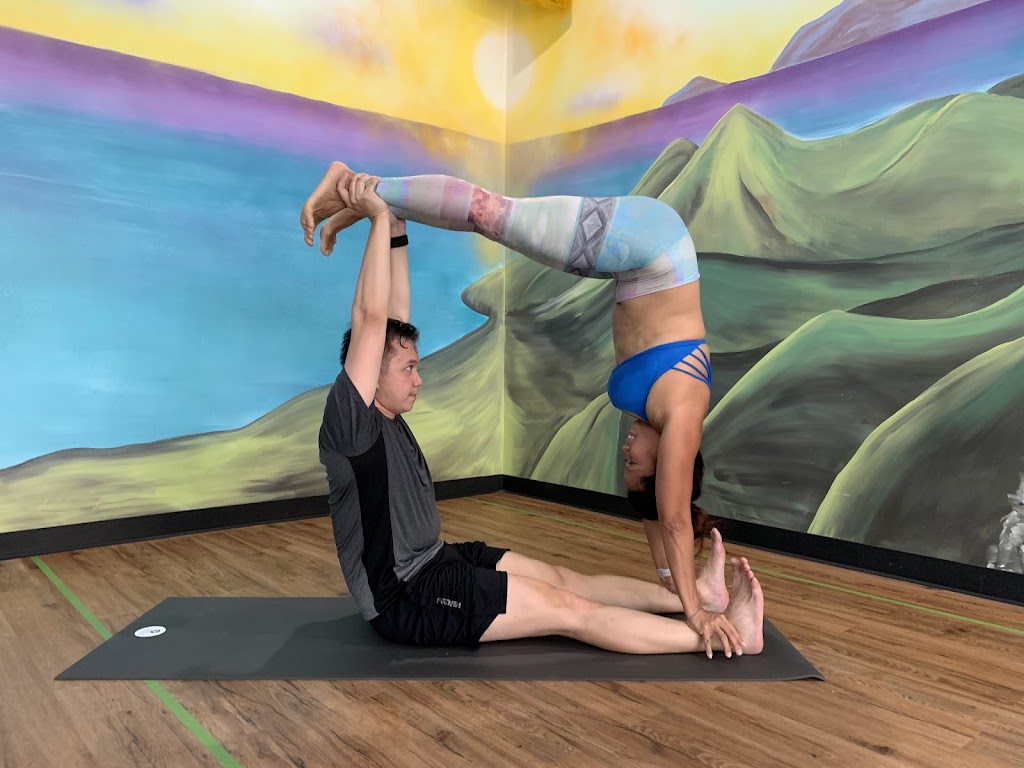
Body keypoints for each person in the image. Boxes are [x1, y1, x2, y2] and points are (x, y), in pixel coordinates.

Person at [302, 162, 749, 655]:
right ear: (369, 374)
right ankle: (711, 636)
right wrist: (377, 214)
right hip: (407, 596)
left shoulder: (380, 409)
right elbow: (370, 320)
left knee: (564, 581)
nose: (419, 378)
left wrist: (393, 226)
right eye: (409, 368)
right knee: (569, 611)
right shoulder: (353, 421)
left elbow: (389, 320)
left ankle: (698, 598)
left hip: (437, 561)